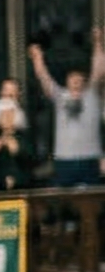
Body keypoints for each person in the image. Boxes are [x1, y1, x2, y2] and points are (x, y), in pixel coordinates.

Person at [27, 34, 105, 187]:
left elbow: (99, 70)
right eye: (72, 78)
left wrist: (97, 42)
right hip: (64, 159)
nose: (75, 81)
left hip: (89, 158)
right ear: (67, 81)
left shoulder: (92, 94)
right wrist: (37, 58)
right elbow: (44, 78)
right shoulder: (60, 96)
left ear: (84, 80)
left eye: (79, 78)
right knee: (63, 201)